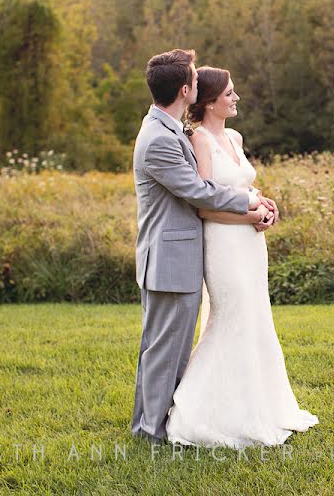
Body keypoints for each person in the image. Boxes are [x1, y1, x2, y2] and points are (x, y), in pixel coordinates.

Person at [165, 65, 319, 448]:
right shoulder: (199, 140)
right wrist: (249, 214)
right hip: (223, 244)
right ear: (211, 103)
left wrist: (266, 205)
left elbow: (243, 184)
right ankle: (193, 409)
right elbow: (203, 205)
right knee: (228, 319)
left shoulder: (234, 136)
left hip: (251, 245)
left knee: (255, 319)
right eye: (229, 94)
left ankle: (259, 406)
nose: (236, 99)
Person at [131, 49, 274, 444]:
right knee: (163, 352)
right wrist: (248, 202)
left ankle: (154, 426)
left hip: (180, 255)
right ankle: (150, 432)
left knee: (169, 351)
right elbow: (197, 191)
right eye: (194, 79)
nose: (198, 83)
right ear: (185, 89)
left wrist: (251, 196)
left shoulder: (170, 128)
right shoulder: (159, 138)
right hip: (169, 259)